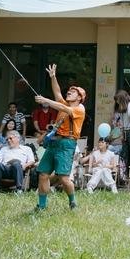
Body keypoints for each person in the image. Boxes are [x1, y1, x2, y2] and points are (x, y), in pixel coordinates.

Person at [33, 63, 86, 211]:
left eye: (73, 92)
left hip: (67, 144)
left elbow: (62, 107)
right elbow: (57, 93)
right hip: (54, 143)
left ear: (80, 97)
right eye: (69, 91)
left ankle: (72, 202)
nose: (69, 92)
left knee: (63, 178)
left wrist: (45, 100)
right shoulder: (65, 102)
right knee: (43, 174)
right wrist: (53, 77)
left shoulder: (79, 109)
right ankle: (41, 206)